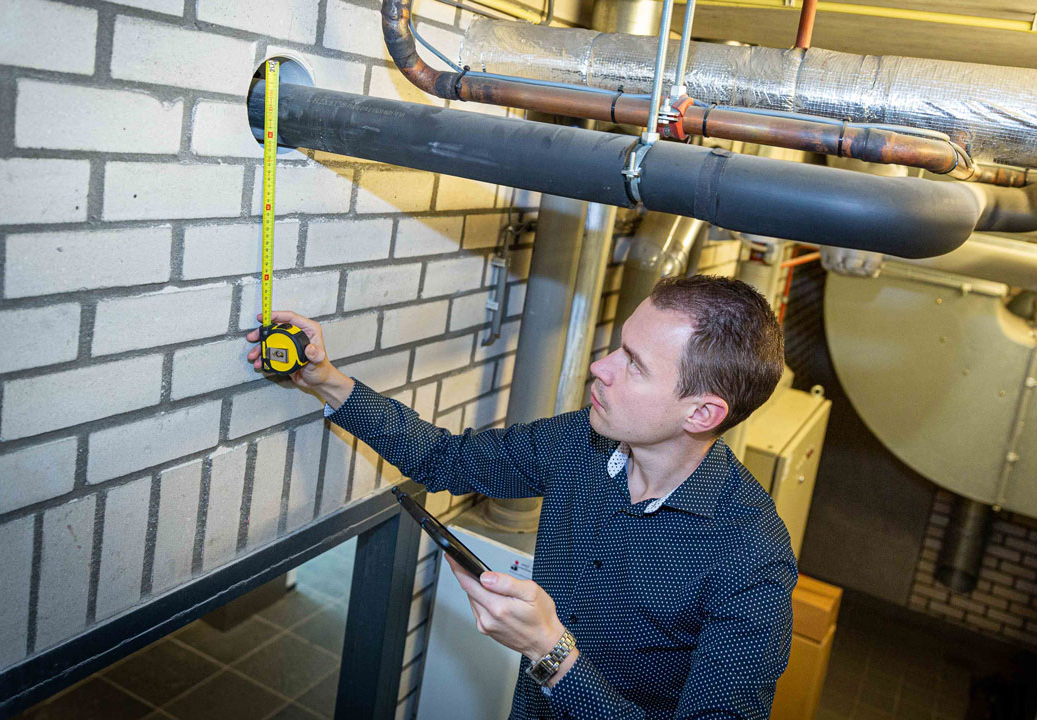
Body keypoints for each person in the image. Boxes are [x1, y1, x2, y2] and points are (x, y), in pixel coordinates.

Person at [246, 275, 797, 719]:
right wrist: (323, 379)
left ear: (702, 413)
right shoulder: (580, 441)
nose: (600, 367)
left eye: (634, 364)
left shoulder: (752, 553)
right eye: (618, 347)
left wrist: (553, 657)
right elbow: (446, 459)